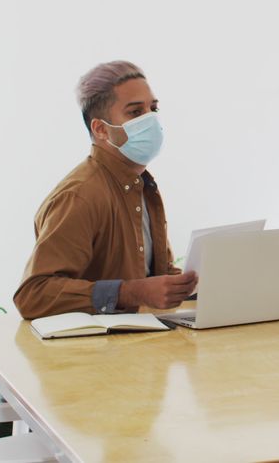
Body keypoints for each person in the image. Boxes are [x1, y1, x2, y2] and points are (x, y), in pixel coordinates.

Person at [14, 61, 197, 320]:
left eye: (153, 108)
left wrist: (193, 284)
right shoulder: (80, 195)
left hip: (141, 349)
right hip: (91, 356)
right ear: (100, 129)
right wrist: (131, 293)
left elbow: (153, 279)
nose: (151, 120)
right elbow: (33, 295)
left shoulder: (144, 186)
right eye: (135, 112)